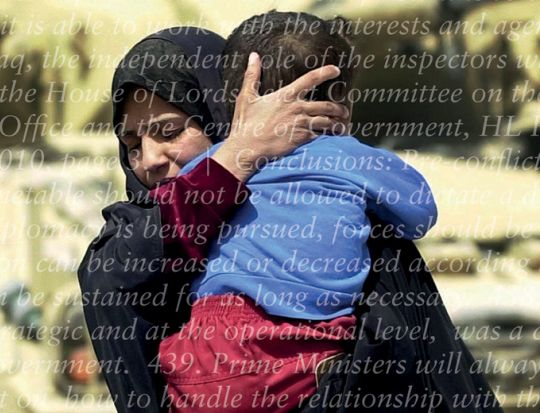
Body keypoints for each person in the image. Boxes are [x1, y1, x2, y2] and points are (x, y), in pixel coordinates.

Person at [156, 12, 438, 412]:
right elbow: (420, 212)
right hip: (302, 349)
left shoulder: (215, 167)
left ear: (237, 99)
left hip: (203, 354)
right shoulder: (351, 160)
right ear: (341, 100)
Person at [77, 27, 348, 413]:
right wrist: (237, 155)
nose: (149, 159)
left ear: (218, 112)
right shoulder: (127, 239)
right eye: (133, 144)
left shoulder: (316, 201)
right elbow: (115, 274)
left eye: (169, 131)